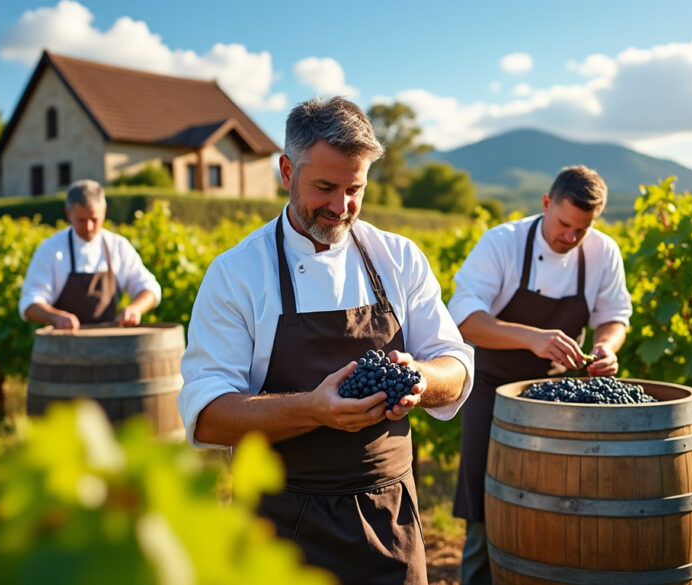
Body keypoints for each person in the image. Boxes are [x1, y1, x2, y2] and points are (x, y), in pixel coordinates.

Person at [178, 96, 474, 585]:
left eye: (355, 189)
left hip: (390, 521)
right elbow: (208, 417)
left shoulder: (398, 258)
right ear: (286, 171)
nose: (341, 207)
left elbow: (456, 364)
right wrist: (313, 409)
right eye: (325, 187)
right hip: (280, 529)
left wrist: (420, 379)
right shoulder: (237, 273)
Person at [449, 165, 633, 585]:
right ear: (547, 203)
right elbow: (465, 320)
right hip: (492, 389)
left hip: (559, 395)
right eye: (564, 224)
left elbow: (614, 316)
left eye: (582, 229)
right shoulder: (502, 243)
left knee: (563, 503)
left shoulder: (603, 252)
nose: (571, 236)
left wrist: (607, 347)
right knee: (484, 503)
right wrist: (531, 337)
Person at [19, 179, 161, 329]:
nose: (88, 227)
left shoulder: (118, 246)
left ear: (104, 212)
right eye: (81, 220)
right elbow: (29, 303)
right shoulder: (51, 249)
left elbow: (150, 288)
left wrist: (135, 308)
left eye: (94, 219)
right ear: (68, 213)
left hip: (112, 341)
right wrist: (55, 316)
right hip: (65, 342)